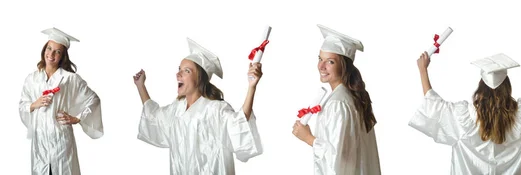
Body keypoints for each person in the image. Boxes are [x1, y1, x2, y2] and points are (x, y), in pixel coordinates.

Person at [409, 48, 521, 174]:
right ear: (507, 87)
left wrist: (423, 70)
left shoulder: (463, 117)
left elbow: (434, 106)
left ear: (481, 87)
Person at [132, 37, 263, 174]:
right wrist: (140, 86)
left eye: (186, 71)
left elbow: (240, 123)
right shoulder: (176, 109)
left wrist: (251, 87)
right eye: (179, 69)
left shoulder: (215, 109)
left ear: (200, 78)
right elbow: (154, 117)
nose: (178, 74)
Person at [292, 24, 381, 175]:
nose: (321, 66)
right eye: (320, 59)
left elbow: (337, 158)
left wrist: (308, 138)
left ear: (344, 66)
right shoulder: (354, 97)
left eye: (330, 61)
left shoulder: (337, 103)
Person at [18, 27, 104, 175]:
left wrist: (77, 118)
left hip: (61, 142)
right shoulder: (32, 79)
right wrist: (34, 104)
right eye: (49, 48)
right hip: (40, 144)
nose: (51, 54)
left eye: (57, 51)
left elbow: (93, 99)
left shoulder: (70, 79)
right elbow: (22, 105)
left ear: (62, 56)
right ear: (44, 49)